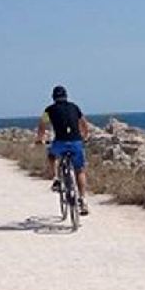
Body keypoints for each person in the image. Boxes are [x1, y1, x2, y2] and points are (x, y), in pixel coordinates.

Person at [35, 85, 91, 215]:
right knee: (80, 171)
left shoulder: (48, 110)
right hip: (76, 142)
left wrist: (40, 139)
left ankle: (56, 179)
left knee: (51, 156)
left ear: (53, 97)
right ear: (66, 96)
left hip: (60, 143)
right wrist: (85, 136)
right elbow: (84, 124)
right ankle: (83, 199)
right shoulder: (75, 107)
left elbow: (42, 126)